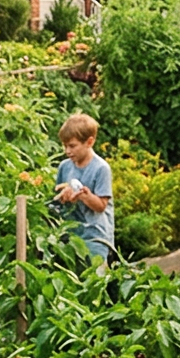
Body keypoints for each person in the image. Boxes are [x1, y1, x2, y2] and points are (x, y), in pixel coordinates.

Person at [52, 112, 115, 262]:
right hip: (71, 237)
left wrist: (83, 195)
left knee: (96, 279)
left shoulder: (101, 168)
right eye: (65, 146)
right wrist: (63, 197)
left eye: (72, 146)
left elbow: (101, 206)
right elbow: (58, 201)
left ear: (89, 142)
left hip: (96, 239)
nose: (68, 151)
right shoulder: (64, 167)